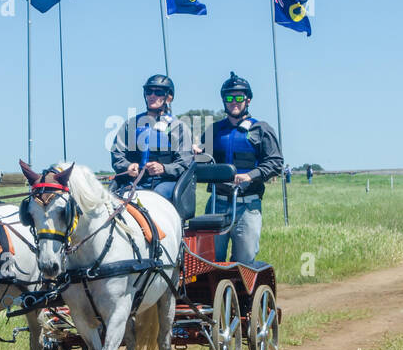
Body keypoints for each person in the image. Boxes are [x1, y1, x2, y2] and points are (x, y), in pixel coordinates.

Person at [206, 72, 283, 263]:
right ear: (224, 100)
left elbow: (275, 162)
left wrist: (250, 175)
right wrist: (197, 152)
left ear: (247, 100)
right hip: (217, 204)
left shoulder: (262, 129)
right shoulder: (213, 131)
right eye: (229, 97)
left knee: (244, 260)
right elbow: (200, 161)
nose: (234, 102)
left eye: (239, 97)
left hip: (248, 205)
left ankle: (245, 292)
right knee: (209, 261)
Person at [110, 73, 193, 201]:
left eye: (158, 92)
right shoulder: (130, 125)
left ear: (169, 98)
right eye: (149, 92)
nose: (152, 96)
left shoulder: (178, 127)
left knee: (152, 197)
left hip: (165, 183)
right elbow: (117, 154)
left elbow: (184, 163)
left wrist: (164, 168)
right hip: (134, 181)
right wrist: (127, 166)